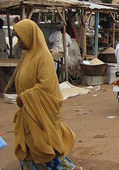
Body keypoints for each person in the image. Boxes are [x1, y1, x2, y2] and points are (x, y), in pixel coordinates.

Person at [13, 19, 83, 170]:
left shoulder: (43, 57)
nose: (18, 42)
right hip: (28, 112)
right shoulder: (27, 57)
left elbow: (46, 87)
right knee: (32, 149)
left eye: (20, 37)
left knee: (45, 145)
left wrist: (24, 97)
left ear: (29, 35)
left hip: (41, 112)